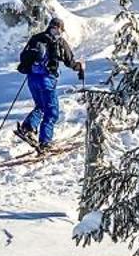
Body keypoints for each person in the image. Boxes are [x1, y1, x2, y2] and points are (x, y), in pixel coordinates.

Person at [13, 16, 86, 154]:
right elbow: (70, 62)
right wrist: (80, 67)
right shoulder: (59, 42)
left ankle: (27, 128)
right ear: (59, 29)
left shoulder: (36, 38)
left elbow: (23, 56)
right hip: (47, 80)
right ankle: (45, 143)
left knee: (40, 106)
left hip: (32, 79)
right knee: (52, 112)